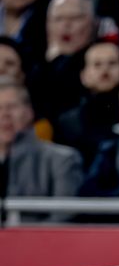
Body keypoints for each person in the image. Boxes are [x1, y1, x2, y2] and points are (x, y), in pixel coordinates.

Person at [0, 79, 84, 221]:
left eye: (12, 107)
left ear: (29, 113)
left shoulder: (63, 160)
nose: (4, 115)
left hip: (39, 241)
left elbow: (63, 217)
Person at [54, 41, 119, 167]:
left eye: (112, 63)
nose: (105, 70)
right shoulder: (67, 122)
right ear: (83, 75)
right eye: (97, 64)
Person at [30, 0, 96, 125]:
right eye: (58, 19)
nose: (66, 25)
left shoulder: (100, 60)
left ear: (91, 23)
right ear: (47, 25)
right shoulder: (35, 66)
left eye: (75, 18)